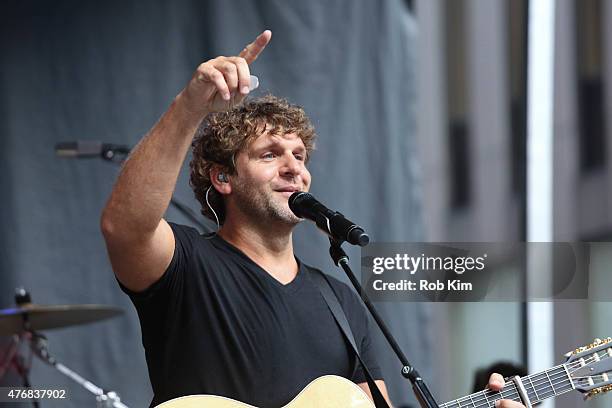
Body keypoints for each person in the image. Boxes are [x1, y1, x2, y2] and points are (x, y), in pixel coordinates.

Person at [100, 30, 525, 408]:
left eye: (299, 157)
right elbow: (124, 227)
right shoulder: (187, 264)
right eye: (270, 155)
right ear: (223, 177)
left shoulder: (340, 301)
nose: (293, 169)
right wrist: (190, 107)